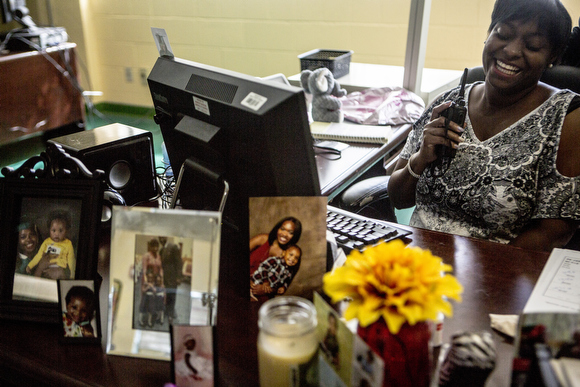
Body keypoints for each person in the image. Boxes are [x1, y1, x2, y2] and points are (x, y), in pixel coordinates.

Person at [387, 0, 580, 252]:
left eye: (532, 45)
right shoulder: (448, 102)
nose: (511, 51)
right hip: (418, 264)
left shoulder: (567, 118)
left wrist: (478, 277)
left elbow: (553, 234)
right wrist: (421, 157)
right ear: (489, 34)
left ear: (552, 57)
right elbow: (398, 198)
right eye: (503, 34)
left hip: (500, 274)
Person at [26, 210, 75, 279]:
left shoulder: (68, 244)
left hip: (60, 269)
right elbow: (39, 255)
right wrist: (30, 266)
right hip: (45, 268)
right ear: (49, 230)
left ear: (66, 231)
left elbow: (71, 259)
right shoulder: (46, 242)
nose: (57, 234)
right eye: (54, 230)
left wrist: (72, 274)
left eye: (61, 231)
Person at [159, 236, 181, 324]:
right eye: (160, 238)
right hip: (164, 276)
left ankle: (171, 315)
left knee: (172, 295)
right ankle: (166, 311)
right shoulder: (161, 250)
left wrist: (178, 277)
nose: (161, 240)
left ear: (166, 237)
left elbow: (179, 262)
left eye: (163, 238)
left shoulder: (173, 247)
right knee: (166, 295)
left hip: (172, 276)